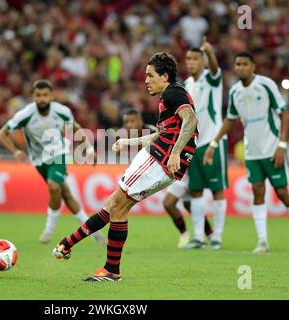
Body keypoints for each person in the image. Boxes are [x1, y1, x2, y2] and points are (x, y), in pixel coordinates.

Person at [52, 52, 199, 281]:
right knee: (116, 206)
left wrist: (177, 152)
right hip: (162, 159)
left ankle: (103, 265)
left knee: (116, 205)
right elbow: (163, 134)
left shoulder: (173, 92)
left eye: (150, 75)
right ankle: (72, 247)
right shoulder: (168, 98)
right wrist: (129, 142)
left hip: (158, 159)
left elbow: (191, 120)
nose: (146, 80)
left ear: (165, 76)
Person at [204, 52, 289, 253]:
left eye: (244, 64)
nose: (240, 68)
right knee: (257, 190)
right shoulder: (235, 91)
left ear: (253, 66)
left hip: (272, 148)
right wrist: (213, 143)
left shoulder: (266, 85)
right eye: (237, 64)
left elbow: (284, 114)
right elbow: (230, 119)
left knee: (281, 192)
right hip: (252, 151)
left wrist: (282, 146)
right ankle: (262, 241)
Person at [0, 79, 105, 245]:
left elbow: (75, 127)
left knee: (54, 186)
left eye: (45, 95)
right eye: (38, 95)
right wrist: (16, 151)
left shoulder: (62, 111)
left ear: (51, 96)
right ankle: (93, 231)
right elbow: (2, 134)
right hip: (38, 160)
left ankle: (49, 229)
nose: (42, 99)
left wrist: (89, 148)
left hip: (58, 153)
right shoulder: (25, 114)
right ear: (33, 96)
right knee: (66, 194)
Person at [122, 108, 213, 248]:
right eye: (126, 122)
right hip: (170, 169)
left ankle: (202, 236)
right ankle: (197, 235)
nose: (129, 125)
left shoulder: (153, 132)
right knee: (177, 204)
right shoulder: (130, 137)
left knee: (180, 203)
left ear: (140, 120)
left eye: (132, 121)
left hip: (182, 167)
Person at [181, 37, 228, 250]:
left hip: (212, 141)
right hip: (194, 144)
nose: (190, 62)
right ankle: (199, 237)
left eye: (194, 59)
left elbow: (217, 69)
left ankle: (216, 236)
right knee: (196, 190)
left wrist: (209, 52)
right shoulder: (187, 84)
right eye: (188, 59)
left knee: (217, 189)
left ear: (202, 61)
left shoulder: (211, 77)